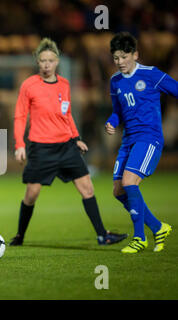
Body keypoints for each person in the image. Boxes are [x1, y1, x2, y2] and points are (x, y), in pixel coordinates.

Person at [9, 38, 127, 247]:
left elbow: (67, 114)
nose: (46, 65)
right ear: (38, 61)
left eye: (51, 60)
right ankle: (19, 235)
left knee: (87, 188)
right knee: (32, 194)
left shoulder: (64, 84)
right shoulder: (29, 85)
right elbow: (20, 116)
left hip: (66, 146)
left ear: (57, 62)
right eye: (43, 60)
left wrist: (76, 138)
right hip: (41, 148)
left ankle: (102, 235)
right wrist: (20, 144)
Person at [105, 32, 177, 253]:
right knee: (118, 191)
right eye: (116, 58)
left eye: (124, 57)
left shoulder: (151, 75)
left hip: (149, 138)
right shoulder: (115, 81)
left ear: (135, 54)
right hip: (128, 140)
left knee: (129, 182)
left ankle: (139, 238)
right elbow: (118, 111)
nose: (120, 62)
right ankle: (158, 227)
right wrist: (111, 121)